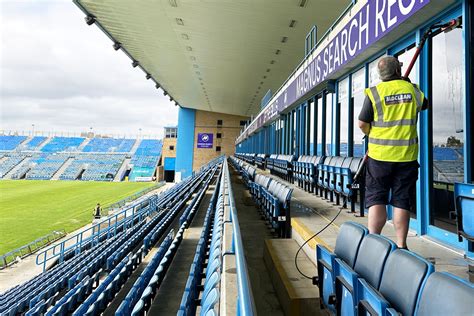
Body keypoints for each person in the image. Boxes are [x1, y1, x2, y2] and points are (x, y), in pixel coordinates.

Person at [358, 56, 428, 249]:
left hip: (379, 156)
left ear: (380, 74)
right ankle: (401, 244)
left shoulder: (374, 92)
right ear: (398, 70)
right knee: (401, 200)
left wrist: (370, 134)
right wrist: (407, 84)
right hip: (406, 157)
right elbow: (425, 104)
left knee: (376, 198)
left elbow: (362, 123)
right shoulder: (412, 90)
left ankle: (373, 241)